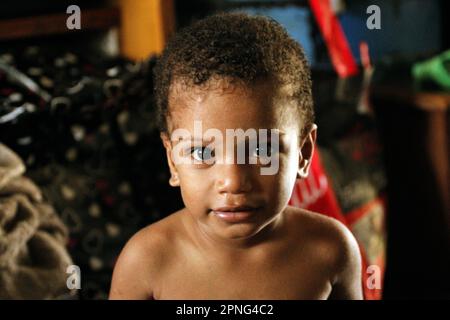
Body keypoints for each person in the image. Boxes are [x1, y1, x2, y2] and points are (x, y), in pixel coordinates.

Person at [109, 12, 363, 300]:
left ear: (303, 153)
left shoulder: (330, 250)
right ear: (172, 161)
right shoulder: (145, 262)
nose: (233, 181)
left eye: (261, 150)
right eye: (202, 152)